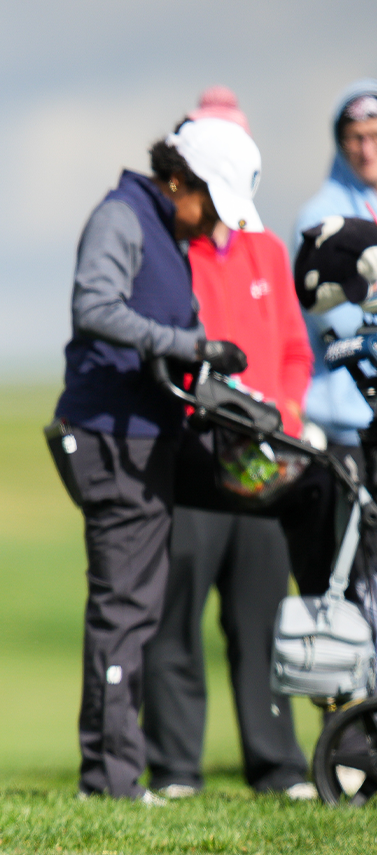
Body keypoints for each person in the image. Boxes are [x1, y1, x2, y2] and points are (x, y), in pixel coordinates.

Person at [46, 120, 246, 802]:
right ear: (181, 182)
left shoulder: (163, 231)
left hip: (142, 434)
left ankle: (114, 773)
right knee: (125, 606)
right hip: (110, 437)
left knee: (137, 604)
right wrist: (189, 346)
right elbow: (94, 307)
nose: (215, 226)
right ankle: (107, 780)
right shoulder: (122, 218)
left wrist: (203, 358)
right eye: (213, 207)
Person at [140, 94, 315, 801]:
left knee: (263, 620)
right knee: (174, 617)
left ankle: (277, 768)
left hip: (265, 461)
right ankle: (178, 769)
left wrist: (292, 408)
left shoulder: (268, 250)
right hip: (195, 456)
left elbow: (295, 350)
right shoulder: (174, 248)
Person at [295, 80, 377, 457]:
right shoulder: (321, 217)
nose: (366, 150)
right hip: (349, 420)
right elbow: (340, 323)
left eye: (374, 135)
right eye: (354, 138)